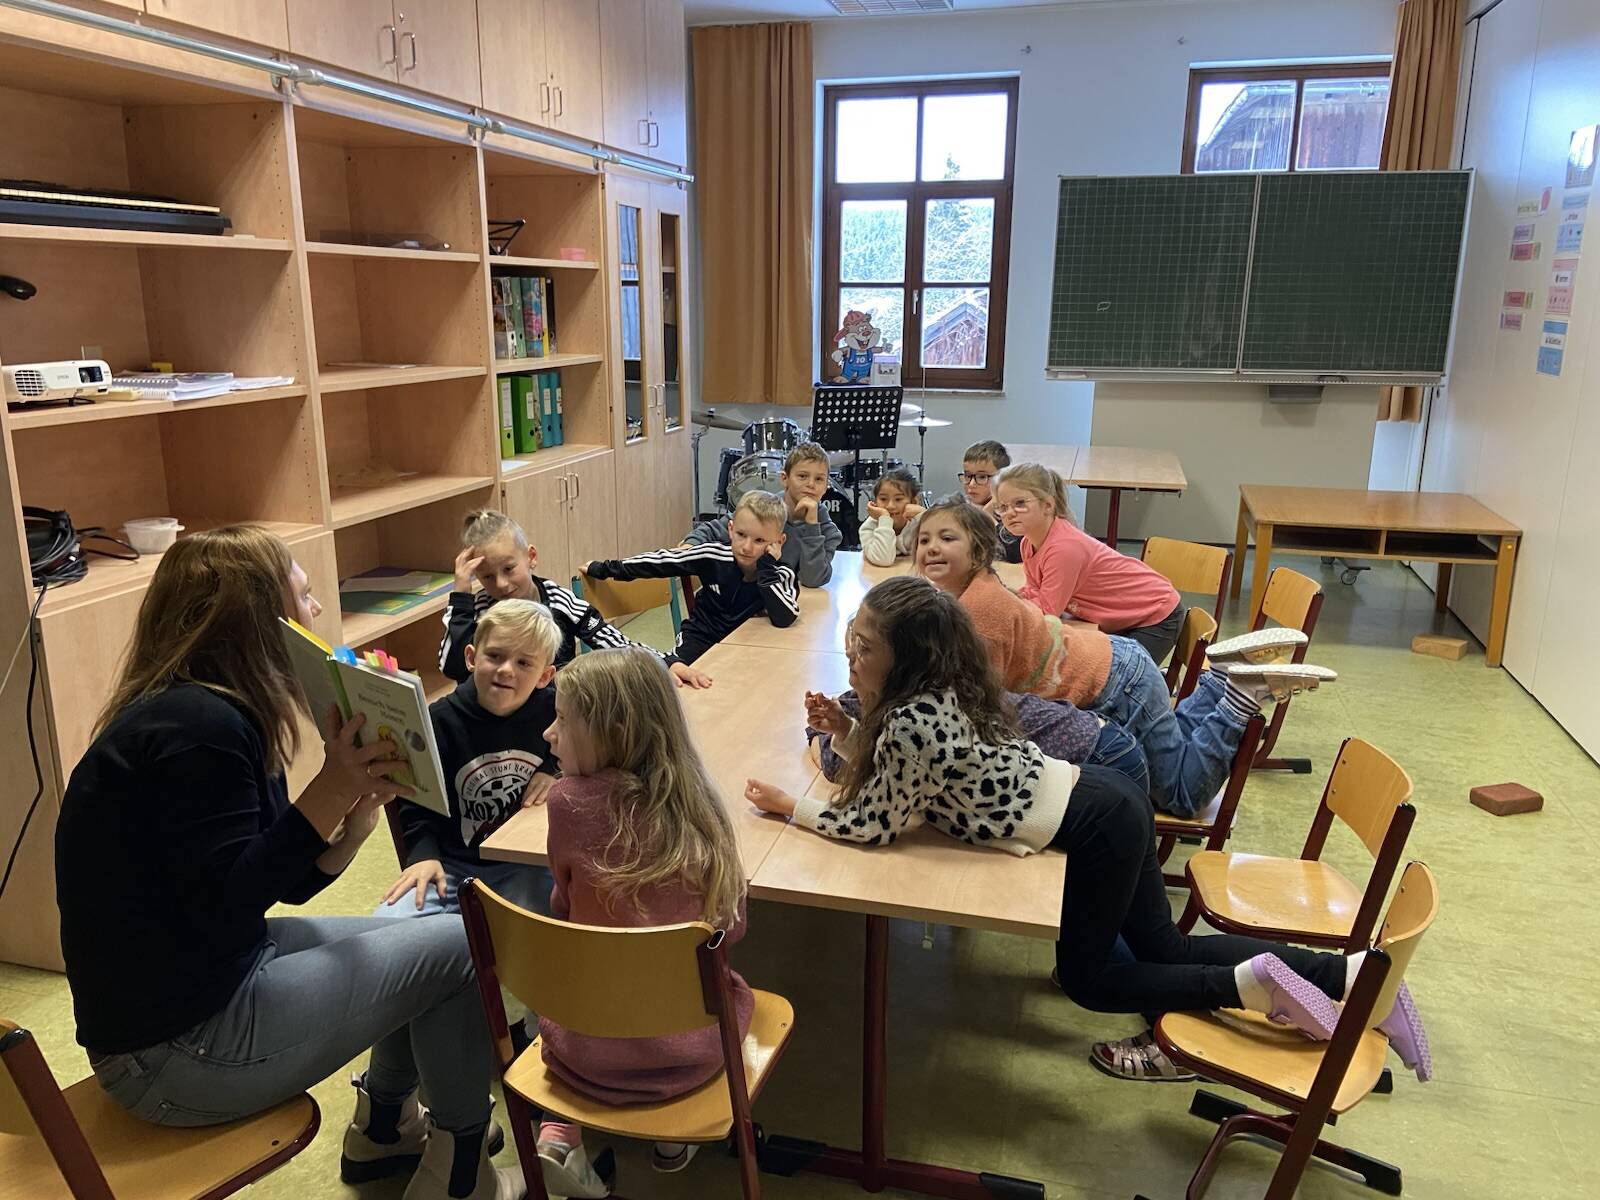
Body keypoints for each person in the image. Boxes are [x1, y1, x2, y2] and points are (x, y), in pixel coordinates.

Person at [741, 576, 1431, 1086]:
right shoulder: (935, 695)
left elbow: (873, 825)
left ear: (908, 659)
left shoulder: (910, 721)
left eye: (863, 648)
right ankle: (1351, 976)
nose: (850, 657)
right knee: (1162, 945)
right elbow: (908, 780)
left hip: (1097, 822)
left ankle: (1251, 987)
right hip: (1105, 797)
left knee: (1091, 980)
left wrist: (790, 806)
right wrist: (850, 729)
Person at [55, 526, 523, 1200]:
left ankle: (385, 1129)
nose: (316, 610)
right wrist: (332, 783)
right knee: (460, 947)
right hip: (175, 1051)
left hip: (207, 983)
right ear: (258, 620)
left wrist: (353, 824)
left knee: (424, 931)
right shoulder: (199, 732)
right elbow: (229, 903)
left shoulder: (213, 711)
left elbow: (281, 882)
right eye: (302, 596)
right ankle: (459, 1176)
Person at [911, 497, 1335, 818]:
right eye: (924, 539)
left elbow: (980, 706)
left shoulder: (979, 612)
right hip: (1115, 665)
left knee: (1182, 796)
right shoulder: (970, 592)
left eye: (947, 539)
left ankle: (1238, 696)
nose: (931, 548)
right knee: (1173, 756)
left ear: (980, 551)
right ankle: (1219, 679)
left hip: (1115, 686)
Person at [532, 647, 754, 1198]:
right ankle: (672, 1135)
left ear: (613, 731)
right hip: (693, 1053)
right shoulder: (702, 805)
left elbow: (563, 908)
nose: (548, 734)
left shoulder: (565, 802)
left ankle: (561, 1133)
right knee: (713, 983)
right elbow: (730, 929)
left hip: (581, 1049)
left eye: (562, 719)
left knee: (583, 975)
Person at [381, 600, 561, 922]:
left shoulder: (556, 710)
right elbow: (416, 802)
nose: (506, 670)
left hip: (524, 865)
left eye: (523, 663)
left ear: (544, 676)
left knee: (535, 930)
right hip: (451, 865)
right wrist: (422, 855)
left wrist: (552, 771)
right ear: (471, 658)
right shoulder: (437, 722)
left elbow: (587, 752)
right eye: (495, 656)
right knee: (388, 927)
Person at [440, 509, 709, 689]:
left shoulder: (558, 600)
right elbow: (452, 667)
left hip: (555, 712)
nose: (500, 584)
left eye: (509, 569)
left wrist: (664, 663)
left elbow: (613, 641)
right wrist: (461, 598)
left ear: (531, 557)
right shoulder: (479, 611)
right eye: (487, 576)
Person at [994, 463, 1184, 663]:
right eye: (1003, 507)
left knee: (1115, 676)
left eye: (1020, 503)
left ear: (1048, 505)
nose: (1009, 513)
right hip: (1124, 614)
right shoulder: (1027, 543)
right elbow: (1034, 590)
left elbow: (1047, 611)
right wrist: (1008, 599)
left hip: (1154, 615)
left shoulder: (1063, 548)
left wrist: (1007, 608)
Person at [584, 490, 800, 666]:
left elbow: (785, 618)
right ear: (731, 529)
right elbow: (661, 561)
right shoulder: (711, 555)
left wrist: (766, 570)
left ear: (779, 542)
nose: (747, 547)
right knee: (675, 675)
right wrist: (606, 568)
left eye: (760, 540)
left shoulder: (781, 574)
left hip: (748, 644)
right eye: (741, 535)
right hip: (700, 637)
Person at [809, 685, 1149, 795]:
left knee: (1093, 915)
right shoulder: (907, 688)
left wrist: (825, 735)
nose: (854, 666)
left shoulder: (924, 713)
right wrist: (829, 729)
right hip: (1100, 740)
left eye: (862, 653)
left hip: (1102, 757)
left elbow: (847, 767)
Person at [683, 441, 842, 586]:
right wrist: (690, 545)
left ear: (826, 486)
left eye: (819, 479)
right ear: (784, 478)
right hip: (751, 598)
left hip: (794, 602)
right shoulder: (763, 508)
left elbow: (812, 580)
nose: (811, 484)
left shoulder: (829, 532)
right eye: (802, 476)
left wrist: (812, 525)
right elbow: (712, 530)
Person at [959, 439, 1022, 564]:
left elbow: (1015, 555)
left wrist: (989, 518)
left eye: (982, 477)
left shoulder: (1014, 512)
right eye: (967, 476)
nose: (971, 484)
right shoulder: (957, 507)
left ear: (1002, 477)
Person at [859, 466, 926, 566]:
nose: (890, 506)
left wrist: (924, 515)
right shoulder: (869, 527)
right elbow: (883, 560)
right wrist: (884, 518)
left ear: (913, 501)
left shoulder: (918, 522)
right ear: (875, 502)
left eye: (898, 499)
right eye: (883, 499)